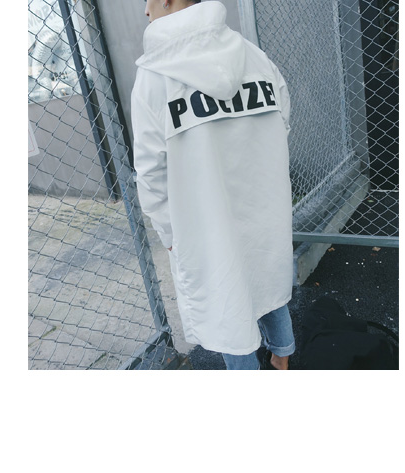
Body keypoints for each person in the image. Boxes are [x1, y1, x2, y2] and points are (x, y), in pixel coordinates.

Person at [131, 0, 295, 370]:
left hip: (204, 220)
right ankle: (282, 356)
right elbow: (282, 117)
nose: (145, 10)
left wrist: (169, 231)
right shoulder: (253, 55)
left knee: (227, 302)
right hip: (263, 202)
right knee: (267, 275)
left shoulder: (154, 79)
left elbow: (151, 171)